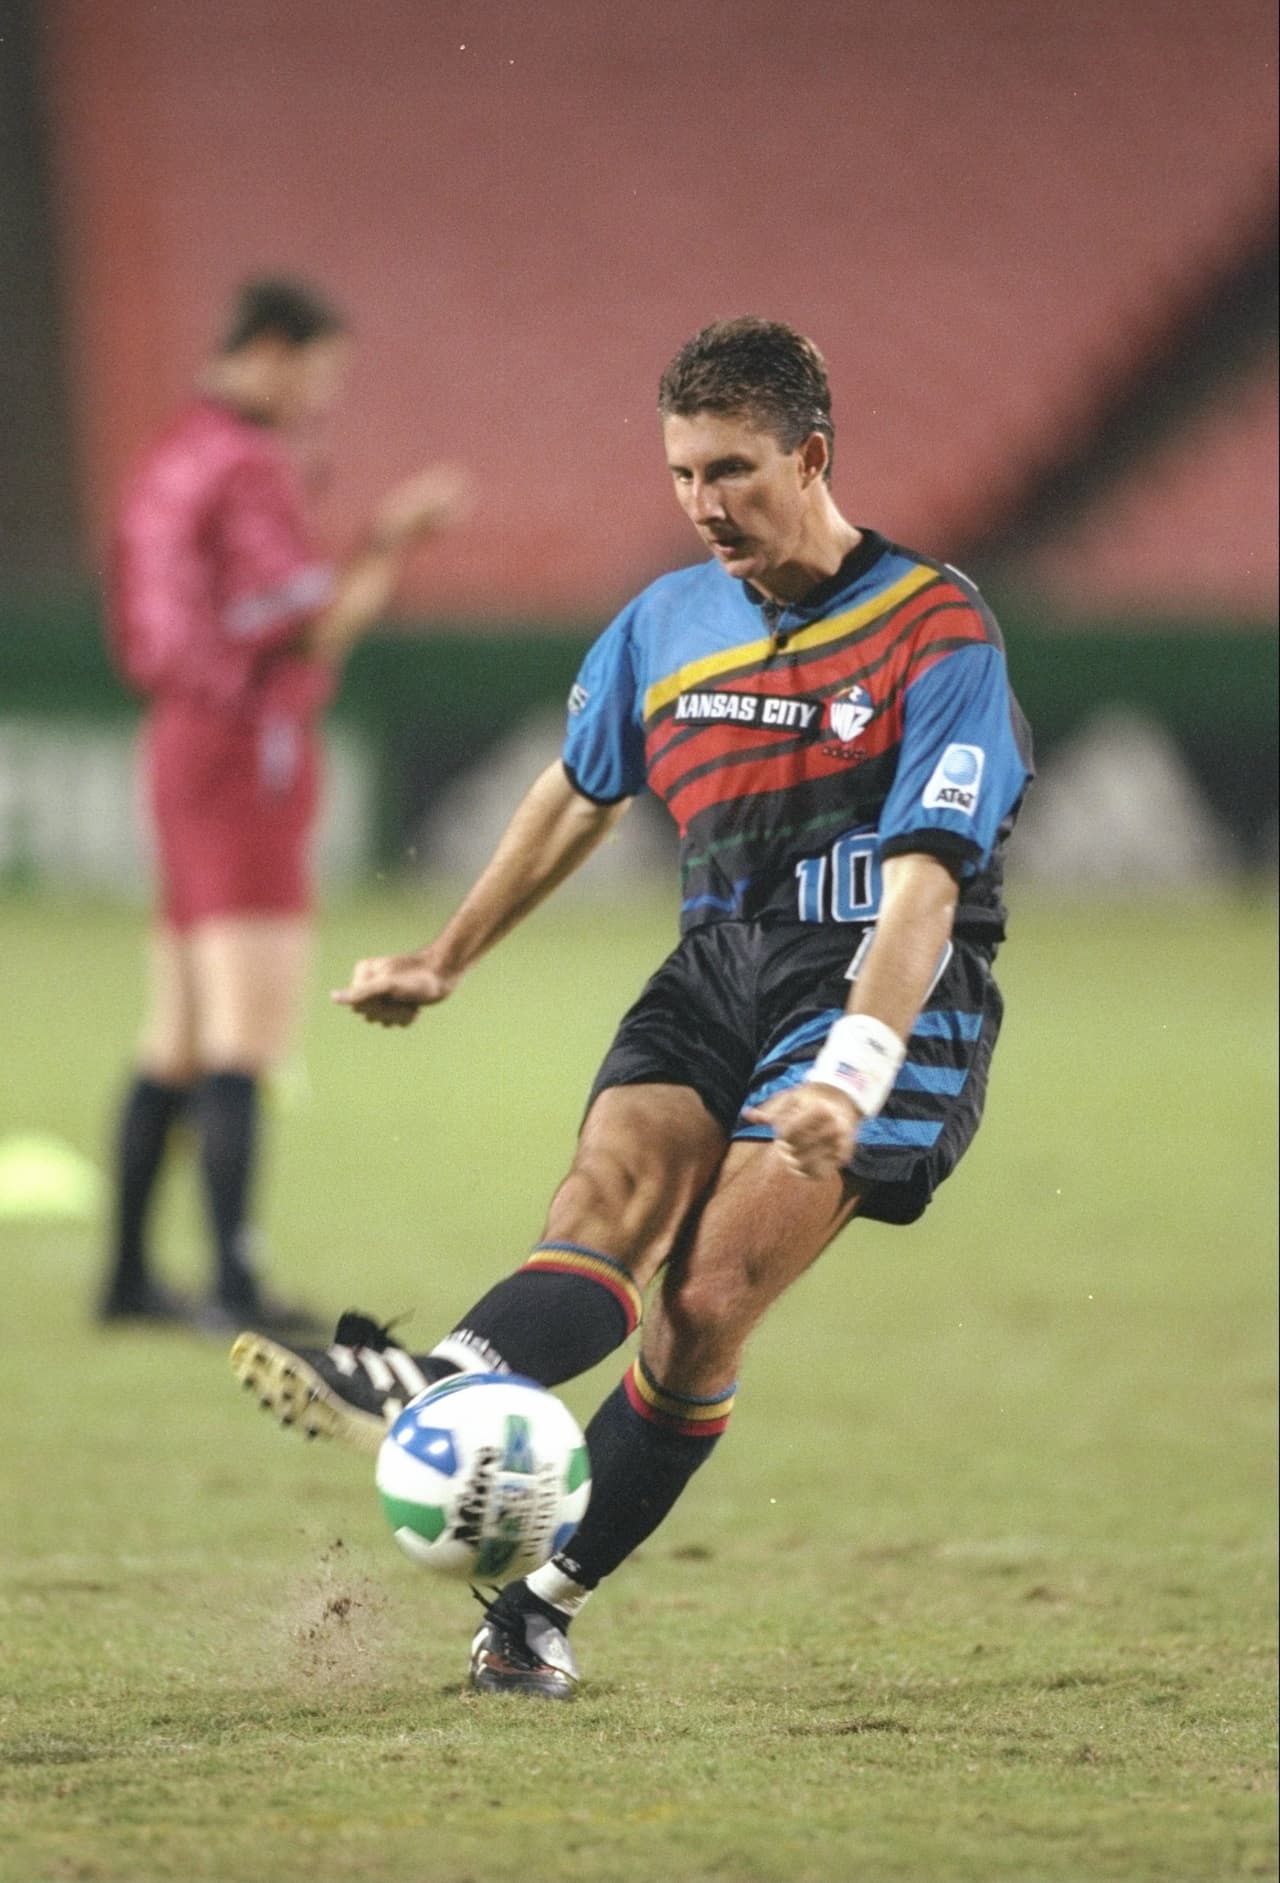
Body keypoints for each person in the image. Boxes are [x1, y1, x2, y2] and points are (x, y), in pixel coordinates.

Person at [231, 316, 1033, 1695]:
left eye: (731, 468)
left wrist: (852, 1065)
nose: (703, 503)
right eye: (680, 473)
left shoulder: (934, 628)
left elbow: (924, 890)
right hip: (717, 959)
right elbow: (573, 789)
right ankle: (441, 1374)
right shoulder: (661, 622)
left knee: (703, 1303)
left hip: (876, 984)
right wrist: (447, 951)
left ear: (812, 454)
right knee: (600, 1199)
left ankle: (540, 1597)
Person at [98, 276, 468, 1335]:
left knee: (174, 1028)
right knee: (246, 1035)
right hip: (241, 747)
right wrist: (392, 540)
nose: (318, 398)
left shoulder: (172, 451)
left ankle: (126, 1276)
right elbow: (309, 629)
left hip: (177, 738)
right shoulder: (247, 464)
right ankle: (235, 1279)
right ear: (268, 349)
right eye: (316, 371)